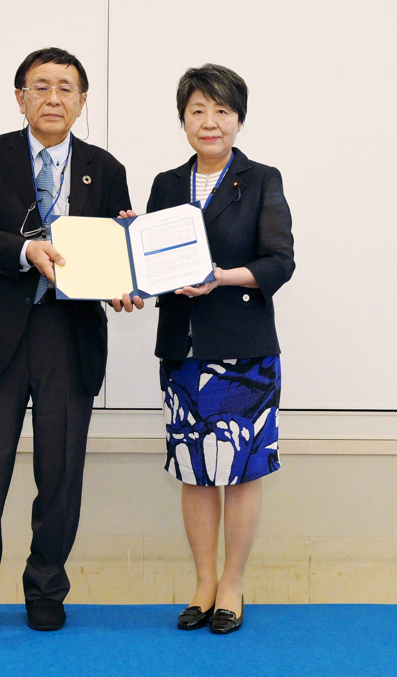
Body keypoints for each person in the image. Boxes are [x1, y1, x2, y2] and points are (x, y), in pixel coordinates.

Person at [0, 47, 135, 633]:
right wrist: (25, 250)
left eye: (66, 88)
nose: (54, 98)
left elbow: (112, 252)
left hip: (69, 335)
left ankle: (46, 585)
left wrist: (125, 282)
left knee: (62, 470)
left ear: (82, 100)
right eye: (41, 87)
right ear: (20, 96)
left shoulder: (106, 166)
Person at [143, 64, 294, 634]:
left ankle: (233, 583)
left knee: (241, 470)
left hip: (244, 351)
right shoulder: (164, 183)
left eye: (222, 111)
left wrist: (222, 277)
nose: (210, 122)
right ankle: (203, 582)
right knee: (193, 470)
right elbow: (155, 267)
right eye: (198, 111)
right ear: (183, 119)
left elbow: (280, 260)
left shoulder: (261, 179)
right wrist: (135, 251)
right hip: (182, 348)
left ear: (239, 119)